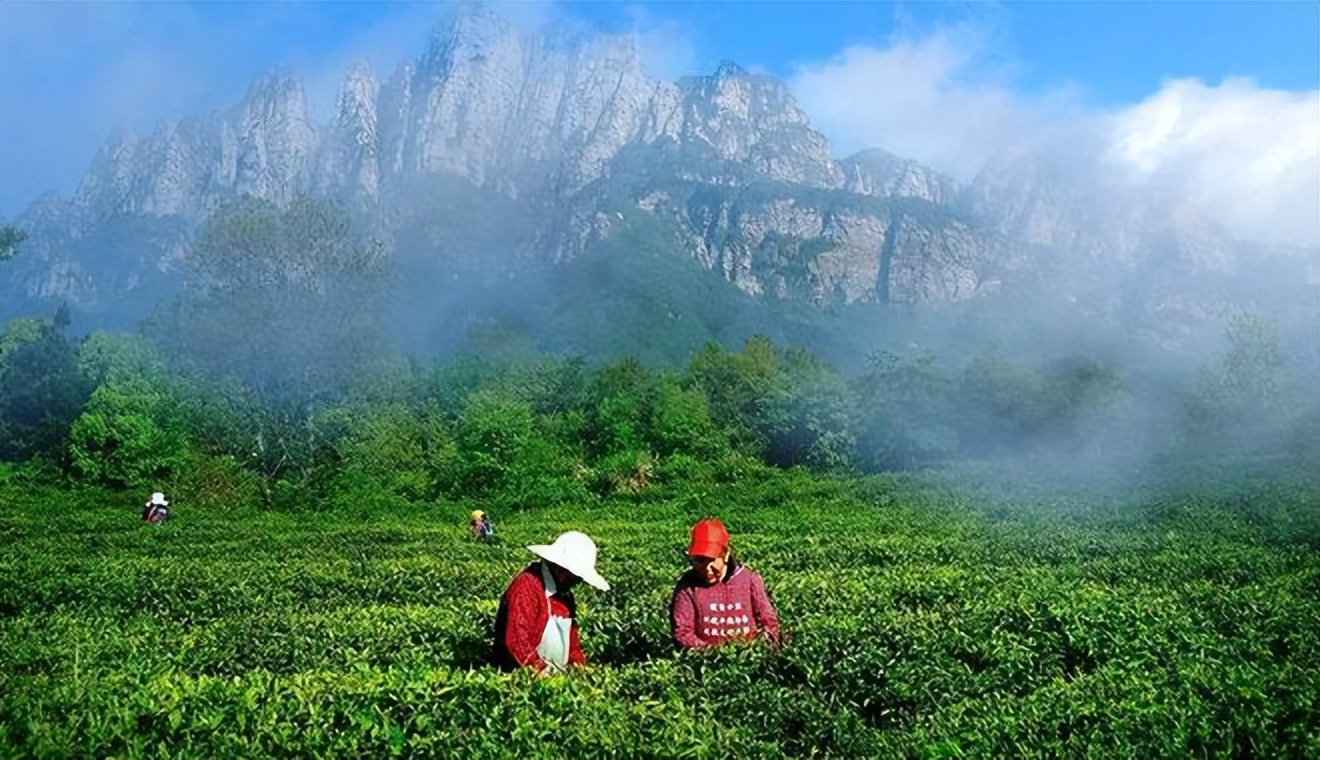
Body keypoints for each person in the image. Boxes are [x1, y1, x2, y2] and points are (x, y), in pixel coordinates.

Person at [493, 531, 609, 673]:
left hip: (555, 676)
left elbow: (572, 643)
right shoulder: (526, 587)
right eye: (576, 576)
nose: (578, 581)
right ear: (560, 567)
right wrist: (541, 672)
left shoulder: (564, 595)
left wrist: (580, 669)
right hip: (519, 678)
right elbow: (518, 642)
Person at [670, 518, 779, 649]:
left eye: (711, 561)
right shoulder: (687, 586)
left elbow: (768, 621)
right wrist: (713, 654)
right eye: (699, 561)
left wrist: (759, 649)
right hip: (705, 663)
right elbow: (682, 632)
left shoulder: (749, 580)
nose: (706, 568)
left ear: (725, 555)